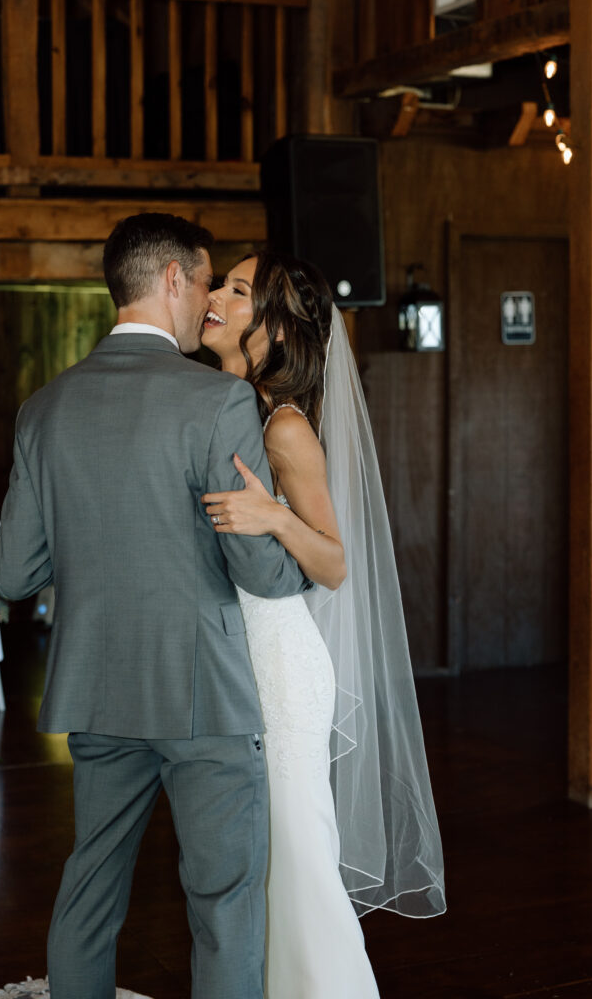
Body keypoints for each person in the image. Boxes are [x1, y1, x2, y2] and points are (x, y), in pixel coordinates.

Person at [0, 214, 312, 999]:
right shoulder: (216, 403)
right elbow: (262, 573)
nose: (207, 301)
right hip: (204, 695)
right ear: (172, 278)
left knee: (89, 892)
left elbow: (12, 575)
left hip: (97, 697)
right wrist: (307, 559)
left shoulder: (44, 408)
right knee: (224, 905)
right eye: (205, 282)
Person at [201, 252, 446, 998]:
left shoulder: (282, 427)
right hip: (243, 663)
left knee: (300, 869)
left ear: (274, 330)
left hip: (282, 674)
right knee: (269, 870)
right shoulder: (229, 407)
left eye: (235, 290)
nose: (213, 295)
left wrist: (273, 515)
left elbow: (335, 563)